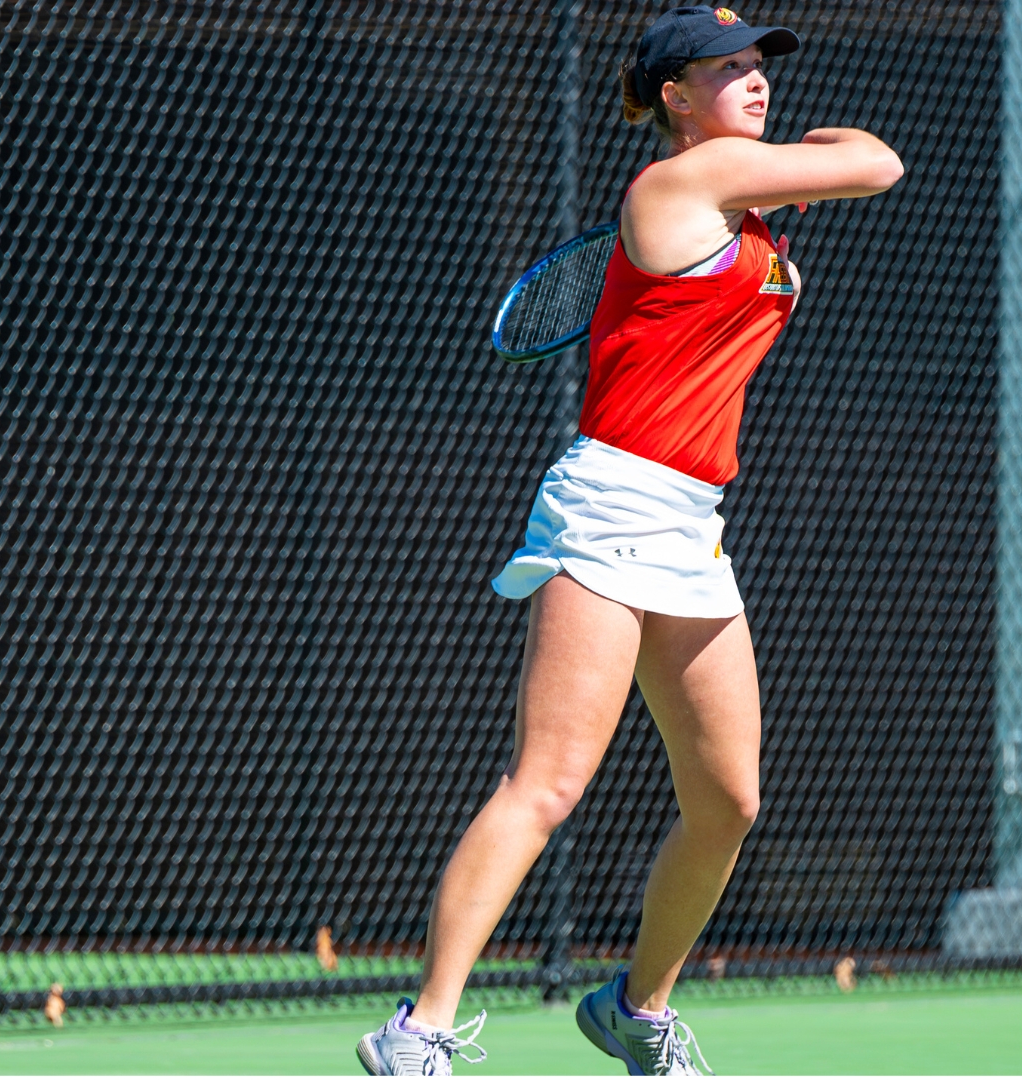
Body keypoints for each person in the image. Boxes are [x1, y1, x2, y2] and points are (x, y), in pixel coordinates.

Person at [357, 6, 902, 1075]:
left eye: (759, 66)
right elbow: (872, 166)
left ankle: (633, 1009)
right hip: (610, 507)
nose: (755, 81)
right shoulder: (672, 190)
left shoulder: (742, 201)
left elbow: (869, 159)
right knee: (550, 782)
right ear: (672, 96)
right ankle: (418, 1030)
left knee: (729, 802)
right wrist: (779, 169)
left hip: (693, 524)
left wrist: (774, 169)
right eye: (727, 69)